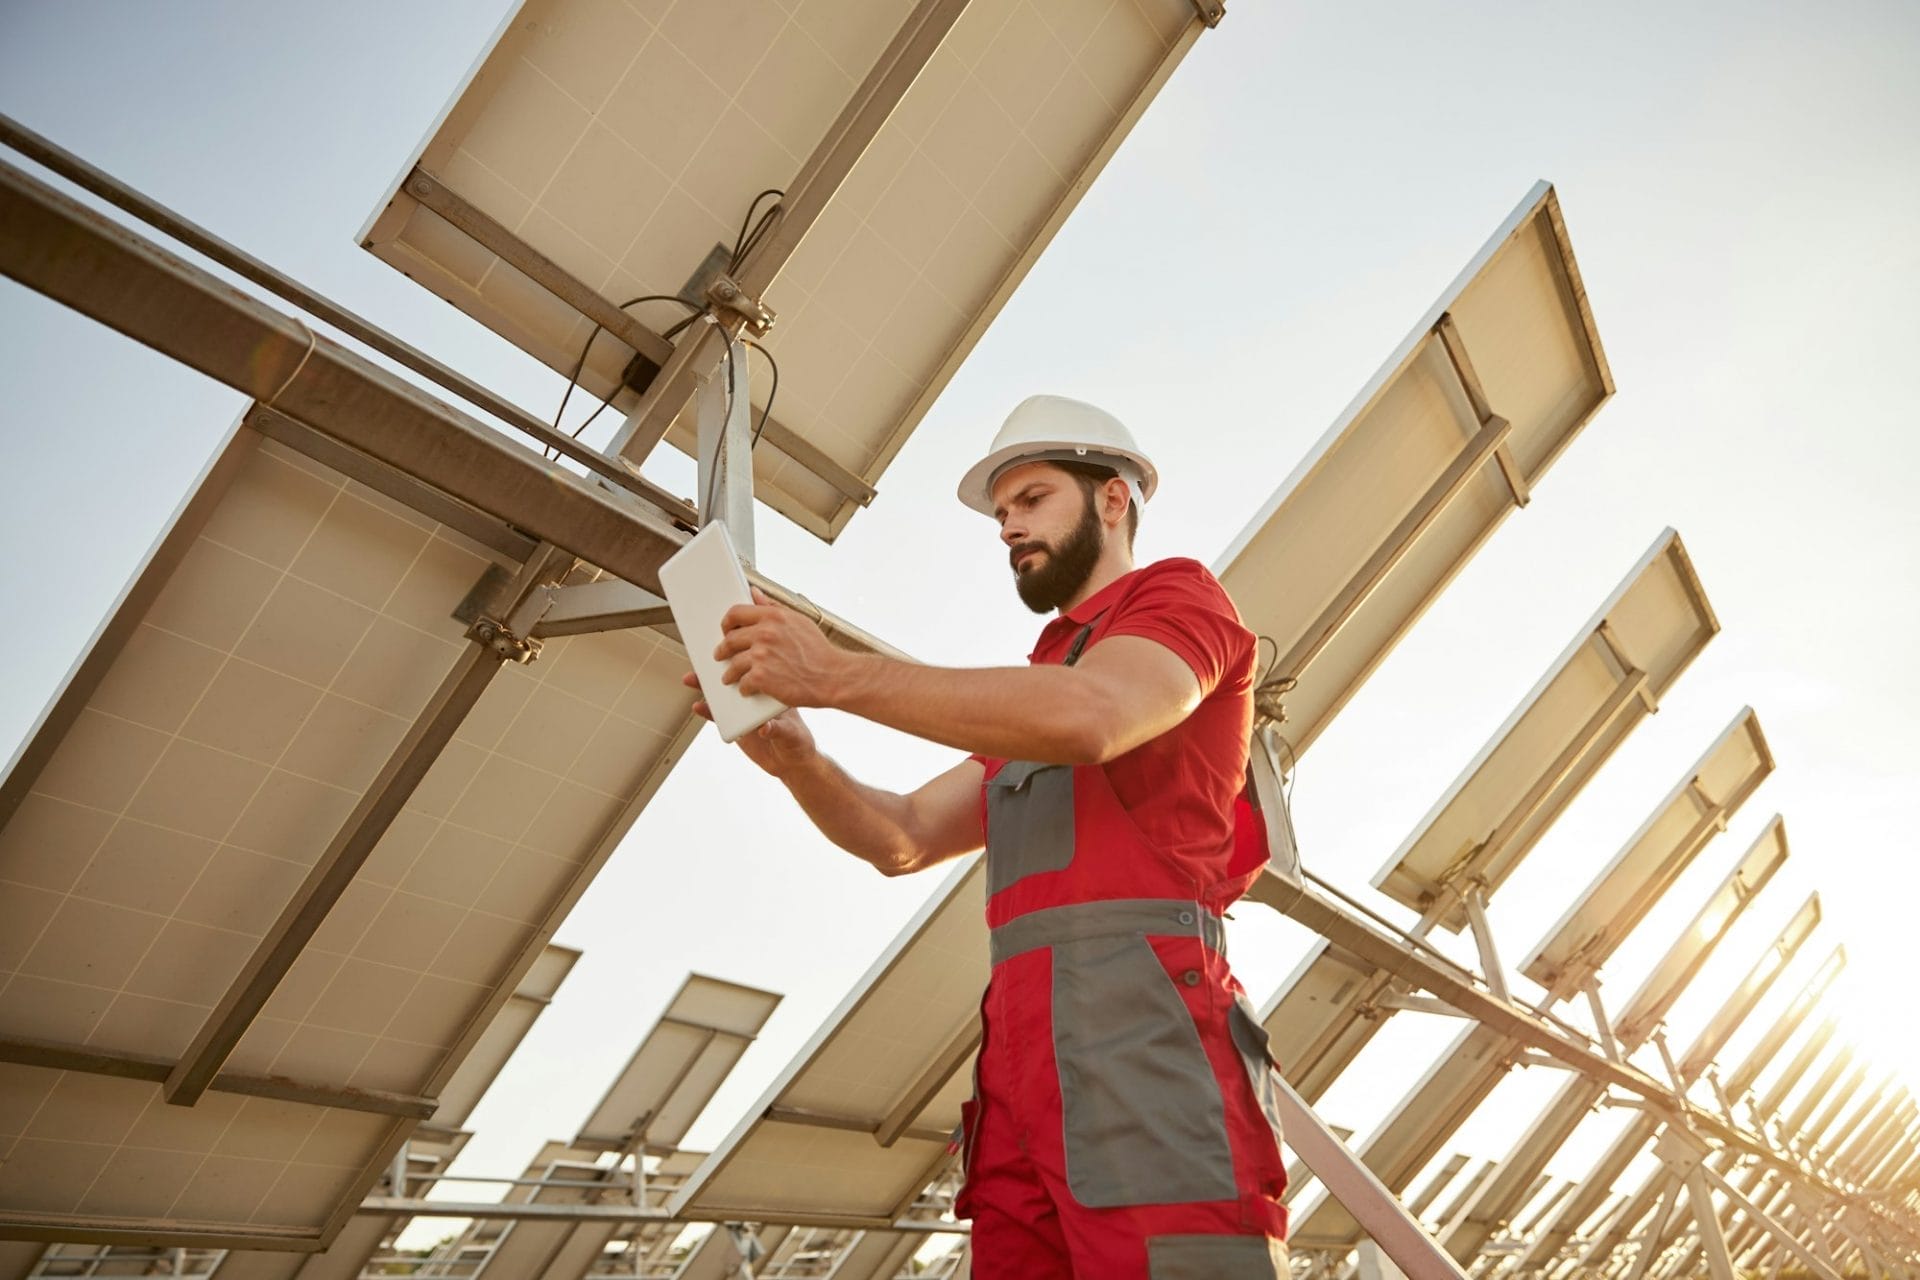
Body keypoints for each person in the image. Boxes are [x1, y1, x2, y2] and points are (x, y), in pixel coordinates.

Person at [684, 395, 1289, 1278]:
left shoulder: (1177, 601)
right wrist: (798, 758)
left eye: (1032, 499)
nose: (1009, 526)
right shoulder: (1040, 686)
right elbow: (904, 836)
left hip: (1146, 1032)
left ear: (1113, 499)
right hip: (1020, 1060)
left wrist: (833, 674)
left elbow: (1096, 718)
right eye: (1001, 513)